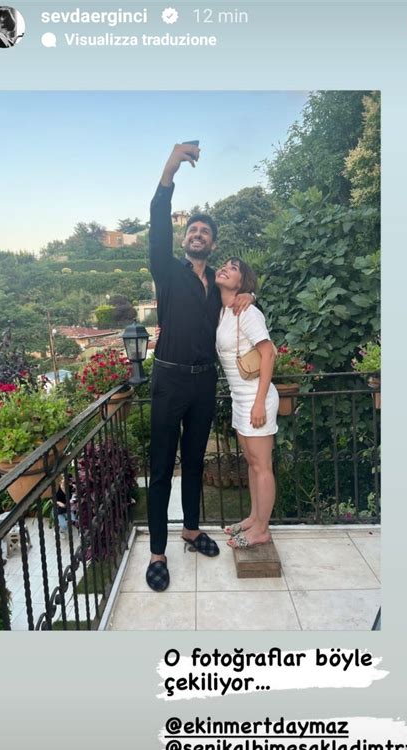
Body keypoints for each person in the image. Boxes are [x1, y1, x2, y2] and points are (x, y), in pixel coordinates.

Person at [146, 143, 254, 591]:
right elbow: (157, 217)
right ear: (185, 238)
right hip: (169, 379)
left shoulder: (219, 287)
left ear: (212, 243)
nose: (196, 235)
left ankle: (190, 530)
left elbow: (241, 306)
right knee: (160, 465)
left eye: (204, 232)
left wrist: (246, 295)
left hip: (203, 383)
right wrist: (171, 166)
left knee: (194, 461)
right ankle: (156, 552)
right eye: (191, 230)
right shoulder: (167, 271)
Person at [215, 257, 279, 547]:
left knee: (262, 465)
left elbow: (268, 354)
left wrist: (259, 402)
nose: (226, 268)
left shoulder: (247, 311)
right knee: (252, 463)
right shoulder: (225, 311)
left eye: (234, 268)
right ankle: (254, 518)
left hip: (256, 397)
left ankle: (262, 530)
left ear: (242, 282)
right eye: (225, 264)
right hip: (240, 398)